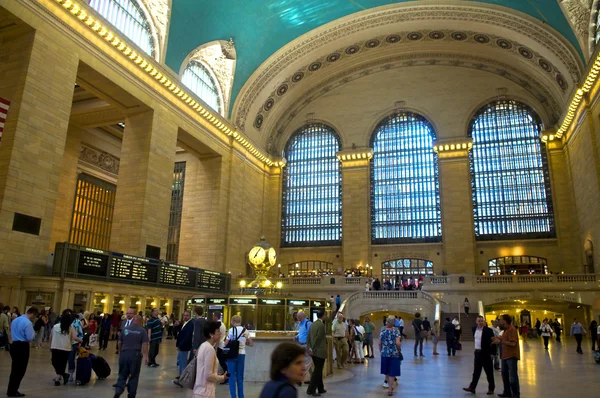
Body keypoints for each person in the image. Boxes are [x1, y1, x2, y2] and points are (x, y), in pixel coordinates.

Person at [114, 315, 149, 398]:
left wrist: (120, 352)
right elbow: (145, 344)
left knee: (122, 374)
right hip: (135, 355)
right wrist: (146, 356)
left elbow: (119, 342)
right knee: (134, 375)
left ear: (133, 320)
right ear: (141, 322)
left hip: (124, 353)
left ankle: (119, 389)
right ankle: (131, 395)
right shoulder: (142, 330)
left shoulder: (125, 329)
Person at [7, 306, 38, 397]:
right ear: (32, 314)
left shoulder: (16, 320)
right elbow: (30, 337)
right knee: (20, 370)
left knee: (14, 369)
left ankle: (11, 390)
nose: (34, 318)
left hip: (14, 344)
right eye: (34, 316)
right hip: (22, 346)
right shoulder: (28, 323)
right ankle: (13, 391)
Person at [193, 321, 228, 398]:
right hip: (206, 392)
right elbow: (209, 375)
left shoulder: (203, 345)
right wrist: (222, 377)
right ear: (211, 334)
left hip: (200, 390)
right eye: (218, 331)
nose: (220, 334)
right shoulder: (209, 349)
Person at [463, 315, 495, 395]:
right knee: (476, 372)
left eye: (482, 321)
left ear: (484, 321)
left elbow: (493, 343)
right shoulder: (474, 329)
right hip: (477, 353)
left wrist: (492, 353)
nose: (480, 322)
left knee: (489, 372)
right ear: (476, 322)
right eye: (479, 321)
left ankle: (491, 388)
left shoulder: (489, 330)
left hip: (486, 353)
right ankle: (472, 387)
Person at [492, 314, 520, 398]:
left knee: (512, 376)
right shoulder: (505, 330)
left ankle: (515, 394)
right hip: (504, 356)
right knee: (504, 374)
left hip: (511, 356)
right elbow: (504, 338)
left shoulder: (512, 329)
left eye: (500, 319)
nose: (499, 321)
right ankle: (507, 391)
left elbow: (513, 343)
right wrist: (497, 338)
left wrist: (501, 341)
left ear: (505, 321)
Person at [225, 314, 252, 398]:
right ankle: (241, 396)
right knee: (240, 377)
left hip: (232, 354)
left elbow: (226, 343)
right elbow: (251, 343)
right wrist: (244, 342)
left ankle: (233, 396)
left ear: (233, 321)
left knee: (231, 376)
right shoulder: (245, 330)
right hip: (242, 354)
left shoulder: (231, 330)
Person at [49, 309, 79, 386]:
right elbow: (75, 338)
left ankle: (57, 379)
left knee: (55, 362)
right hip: (63, 348)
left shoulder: (58, 326)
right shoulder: (69, 327)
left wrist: (50, 346)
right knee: (61, 364)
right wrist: (81, 340)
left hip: (57, 347)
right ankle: (63, 375)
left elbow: (50, 337)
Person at [306, 309, 327, 397]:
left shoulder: (312, 324)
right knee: (317, 371)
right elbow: (318, 338)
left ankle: (320, 388)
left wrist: (309, 348)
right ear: (323, 316)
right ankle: (311, 390)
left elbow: (308, 337)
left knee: (318, 369)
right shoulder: (321, 325)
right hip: (319, 351)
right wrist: (313, 349)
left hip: (314, 351)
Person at [379, 316, 402, 395]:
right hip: (394, 353)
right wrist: (399, 349)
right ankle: (390, 389)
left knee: (387, 371)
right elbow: (398, 343)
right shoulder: (396, 331)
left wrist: (381, 351)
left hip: (384, 353)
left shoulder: (383, 330)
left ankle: (388, 384)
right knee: (392, 372)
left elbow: (380, 343)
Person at [173, 310, 193, 387]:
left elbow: (187, 337)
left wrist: (180, 345)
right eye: (184, 315)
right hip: (182, 346)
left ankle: (183, 380)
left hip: (184, 347)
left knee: (183, 363)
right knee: (180, 362)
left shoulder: (190, 324)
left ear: (190, 316)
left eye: (187, 315)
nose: (185, 317)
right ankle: (182, 377)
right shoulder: (185, 323)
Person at [295, 311, 313, 383]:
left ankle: (300, 377)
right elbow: (301, 333)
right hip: (301, 345)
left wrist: (310, 347)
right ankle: (311, 379)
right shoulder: (301, 323)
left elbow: (311, 335)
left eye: (299, 317)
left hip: (307, 345)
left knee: (307, 362)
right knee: (308, 363)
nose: (297, 318)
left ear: (303, 316)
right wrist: (296, 336)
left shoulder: (308, 323)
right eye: (297, 317)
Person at [67, 310, 83, 382]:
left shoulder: (77, 322)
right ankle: (60, 374)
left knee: (71, 359)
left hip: (73, 343)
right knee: (63, 359)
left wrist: (79, 341)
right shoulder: (63, 322)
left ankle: (71, 374)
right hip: (64, 342)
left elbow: (80, 332)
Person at [212, 312, 228, 384]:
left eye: (213, 316)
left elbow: (218, 337)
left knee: (222, 362)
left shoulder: (218, 325)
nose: (212, 317)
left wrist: (216, 348)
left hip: (219, 346)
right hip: (222, 345)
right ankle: (225, 374)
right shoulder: (223, 324)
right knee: (222, 361)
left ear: (216, 317)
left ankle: (227, 376)